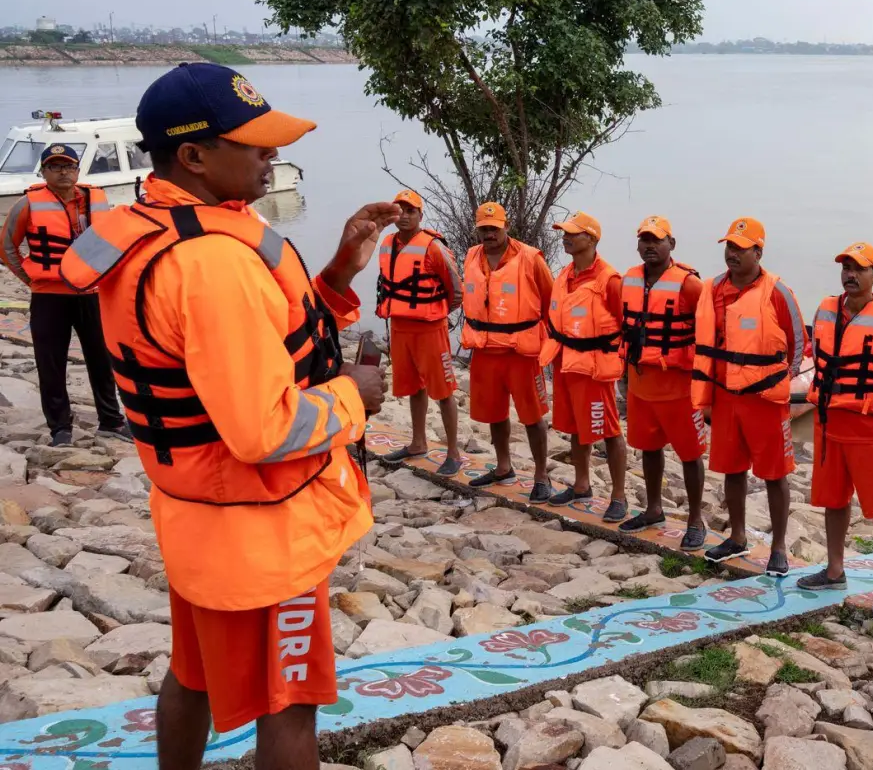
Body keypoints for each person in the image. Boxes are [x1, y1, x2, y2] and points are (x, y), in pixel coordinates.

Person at [58, 62, 391, 770]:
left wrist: (334, 278)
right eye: (255, 144)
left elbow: (241, 346)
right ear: (194, 156)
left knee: (194, 673)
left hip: (195, 516)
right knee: (291, 708)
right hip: (261, 527)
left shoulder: (150, 227)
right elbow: (264, 429)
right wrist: (351, 398)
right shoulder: (212, 264)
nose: (273, 156)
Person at [796, 242, 873, 612]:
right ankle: (834, 569)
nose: (851, 274)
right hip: (830, 423)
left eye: (860, 268)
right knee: (833, 501)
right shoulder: (825, 309)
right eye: (846, 267)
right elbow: (813, 356)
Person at [691, 217, 807, 575]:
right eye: (729, 247)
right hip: (726, 396)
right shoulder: (712, 289)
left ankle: (778, 548)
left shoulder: (777, 291)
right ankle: (737, 536)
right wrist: (708, 397)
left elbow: (798, 343)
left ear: (758, 251)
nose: (732, 254)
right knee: (732, 468)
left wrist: (778, 381)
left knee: (775, 474)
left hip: (765, 400)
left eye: (740, 248)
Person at [1, 144, 131, 446]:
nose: (63, 171)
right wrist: (30, 278)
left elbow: (113, 242)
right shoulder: (28, 204)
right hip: (49, 296)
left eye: (68, 166)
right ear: (44, 172)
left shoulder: (96, 199)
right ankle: (60, 429)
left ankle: (111, 421)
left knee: (102, 359)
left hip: (92, 293)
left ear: (77, 170)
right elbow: (7, 248)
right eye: (55, 166)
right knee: (50, 363)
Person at [617, 216, 709, 545]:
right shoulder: (628, 280)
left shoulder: (690, 284)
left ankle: (696, 520)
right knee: (648, 448)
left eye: (657, 240)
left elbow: (710, 330)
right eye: (644, 239)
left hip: (679, 386)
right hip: (641, 384)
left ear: (672, 244)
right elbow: (622, 324)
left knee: (690, 453)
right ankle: (653, 508)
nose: (650, 246)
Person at [459, 202, 554, 492]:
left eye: (494, 228)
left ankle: (541, 476)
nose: (489, 234)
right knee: (494, 413)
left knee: (532, 415)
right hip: (485, 349)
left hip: (521, 352)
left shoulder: (530, 258)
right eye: (484, 229)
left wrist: (552, 346)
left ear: (506, 226)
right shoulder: (472, 256)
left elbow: (551, 300)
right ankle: (503, 467)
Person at [540, 211, 629, 516]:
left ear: (590, 239)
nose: (565, 237)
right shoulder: (564, 275)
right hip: (566, 363)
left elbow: (624, 325)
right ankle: (581, 485)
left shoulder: (609, 279)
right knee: (577, 427)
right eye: (564, 232)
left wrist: (621, 365)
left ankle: (619, 497)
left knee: (609, 430)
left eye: (573, 233)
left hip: (595, 368)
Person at [374, 190, 464, 474]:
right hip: (399, 326)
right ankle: (417, 443)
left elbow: (456, 291)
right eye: (399, 210)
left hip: (430, 329)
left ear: (420, 215)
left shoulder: (434, 247)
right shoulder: (387, 243)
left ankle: (453, 453)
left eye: (410, 210)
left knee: (443, 390)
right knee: (413, 386)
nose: (404, 215)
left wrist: (438, 314)